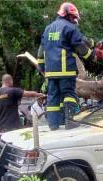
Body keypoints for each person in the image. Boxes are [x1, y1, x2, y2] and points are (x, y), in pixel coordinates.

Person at [37, 2, 94, 130]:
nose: (74, 20)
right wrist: (91, 56)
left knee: (53, 98)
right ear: (68, 15)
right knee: (69, 95)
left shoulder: (48, 28)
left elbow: (41, 50)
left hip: (51, 72)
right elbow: (80, 47)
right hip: (66, 70)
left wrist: (40, 66)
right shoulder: (70, 28)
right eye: (73, 17)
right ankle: (71, 122)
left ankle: (53, 125)